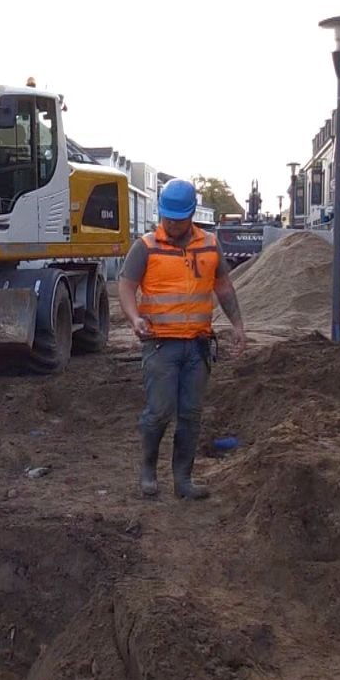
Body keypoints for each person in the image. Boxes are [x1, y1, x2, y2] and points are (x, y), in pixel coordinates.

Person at [117, 178, 247, 500]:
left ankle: (183, 480)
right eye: (167, 218)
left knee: (190, 414)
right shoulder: (146, 247)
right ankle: (148, 470)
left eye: (179, 218)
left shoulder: (209, 245)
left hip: (198, 346)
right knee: (159, 411)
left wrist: (238, 326)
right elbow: (125, 286)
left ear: (192, 215)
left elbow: (224, 288)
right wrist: (134, 318)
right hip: (161, 345)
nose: (172, 224)